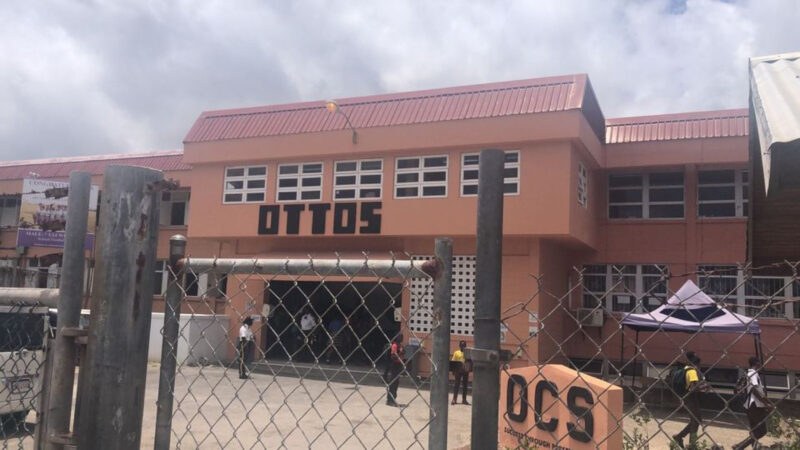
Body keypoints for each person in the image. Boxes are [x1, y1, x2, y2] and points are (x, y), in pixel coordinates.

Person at [733, 357, 774, 450]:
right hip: (755, 405)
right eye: (760, 363)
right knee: (762, 431)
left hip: (749, 405)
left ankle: (749, 447)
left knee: (755, 430)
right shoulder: (753, 374)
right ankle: (740, 446)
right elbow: (754, 390)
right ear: (757, 363)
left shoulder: (748, 374)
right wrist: (766, 404)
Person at [672, 351, 707, 448]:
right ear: (697, 364)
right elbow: (693, 388)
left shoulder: (686, 369)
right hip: (690, 398)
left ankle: (680, 437)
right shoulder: (692, 371)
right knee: (696, 420)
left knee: (696, 420)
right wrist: (704, 387)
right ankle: (692, 443)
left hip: (685, 397)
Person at [386, 334, 405, 407]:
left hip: (399, 365)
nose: (401, 339)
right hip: (394, 365)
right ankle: (390, 400)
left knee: (396, 383)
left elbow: (404, 352)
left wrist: (402, 351)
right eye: (400, 338)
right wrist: (400, 352)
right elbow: (393, 356)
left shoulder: (400, 345)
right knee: (393, 383)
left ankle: (393, 399)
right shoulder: (394, 345)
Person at [450, 340, 470, 405]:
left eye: (464, 346)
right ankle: (454, 399)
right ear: (459, 346)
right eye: (461, 346)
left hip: (465, 371)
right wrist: (453, 370)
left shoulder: (468, 353)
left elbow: (469, 362)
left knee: (465, 385)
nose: (463, 347)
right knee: (456, 385)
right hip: (458, 371)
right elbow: (453, 361)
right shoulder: (456, 353)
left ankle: (464, 400)